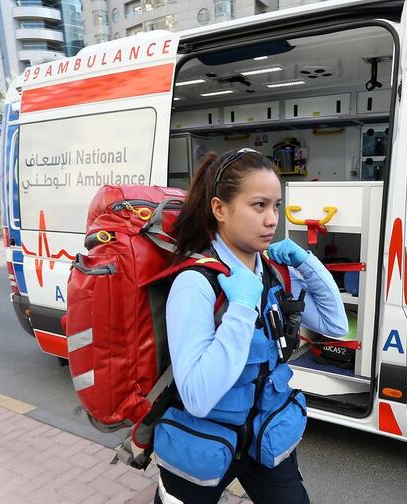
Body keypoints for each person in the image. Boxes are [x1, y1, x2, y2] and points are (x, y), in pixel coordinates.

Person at [154, 148, 349, 504]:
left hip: (264, 435)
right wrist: (242, 306)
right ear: (220, 209)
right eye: (258, 205)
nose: (272, 219)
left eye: (276, 206)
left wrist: (308, 263)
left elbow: (334, 324)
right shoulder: (197, 283)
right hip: (203, 442)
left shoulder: (272, 271)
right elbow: (197, 397)